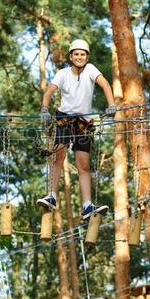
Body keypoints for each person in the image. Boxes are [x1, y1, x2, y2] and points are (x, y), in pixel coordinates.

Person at [37, 39, 117, 220]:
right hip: (65, 118)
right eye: (76, 54)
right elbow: (50, 90)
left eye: (83, 54)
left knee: (83, 164)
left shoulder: (90, 70)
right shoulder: (63, 73)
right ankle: (52, 195)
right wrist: (44, 109)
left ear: (87, 57)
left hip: (84, 121)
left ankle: (87, 205)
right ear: (71, 57)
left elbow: (104, 84)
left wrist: (112, 104)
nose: (79, 57)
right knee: (59, 155)